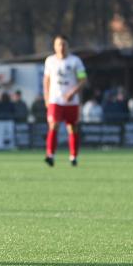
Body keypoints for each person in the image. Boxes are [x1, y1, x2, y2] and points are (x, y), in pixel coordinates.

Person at [42, 35, 87, 167]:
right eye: (58, 44)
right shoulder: (50, 61)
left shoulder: (75, 61)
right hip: (55, 99)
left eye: (64, 44)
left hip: (71, 102)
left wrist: (73, 92)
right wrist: (46, 97)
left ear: (68, 46)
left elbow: (83, 79)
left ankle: (73, 157)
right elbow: (46, 80)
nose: (61, 47)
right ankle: (50, 155)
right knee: (53, 125)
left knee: (72, 128)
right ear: (54, 46)